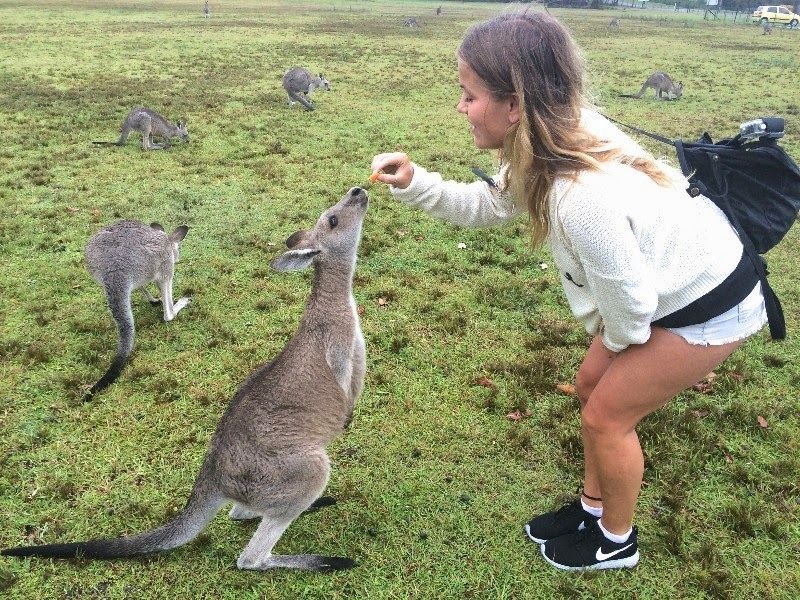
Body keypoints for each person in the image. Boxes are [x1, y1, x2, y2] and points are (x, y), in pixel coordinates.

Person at [370, 10, 767, 571]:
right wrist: (417, 183)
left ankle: (616, 541)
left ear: (516, 103)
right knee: (590, 388)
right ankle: (592, 507)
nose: (460, 108)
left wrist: (616, 343)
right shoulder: (552, 131)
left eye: (469, 95)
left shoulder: (580, 197)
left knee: (607, 415)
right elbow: (491, 204)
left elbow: (631, 310)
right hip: (667, 287)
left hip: (710, 300)